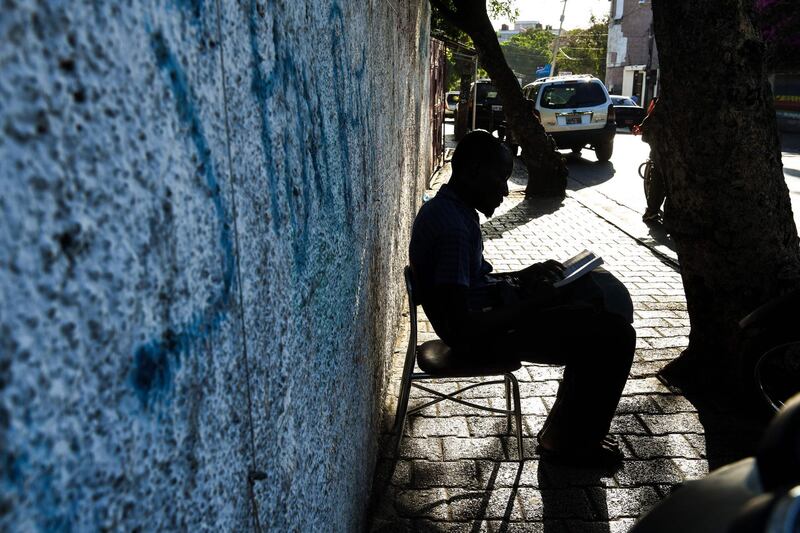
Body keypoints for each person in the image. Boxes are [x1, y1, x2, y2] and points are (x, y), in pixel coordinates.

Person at [409, 130, 636, 467]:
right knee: (613, 336)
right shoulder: (455, 228)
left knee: (591, 312)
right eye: (499, 179)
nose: (504, 190)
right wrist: (534, 304)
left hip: (487, 318)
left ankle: (566, 433)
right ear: (472, 170)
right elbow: (463, 325)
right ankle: (568, 441)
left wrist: (523, 276)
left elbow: (468, 287)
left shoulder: (448, 210)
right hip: (479, 339)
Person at [632, 97, 666, 223]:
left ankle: (652, 211)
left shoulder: (664, 101)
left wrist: (641, 128)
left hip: (663, 146)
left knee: (657, 175)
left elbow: (651, 118)